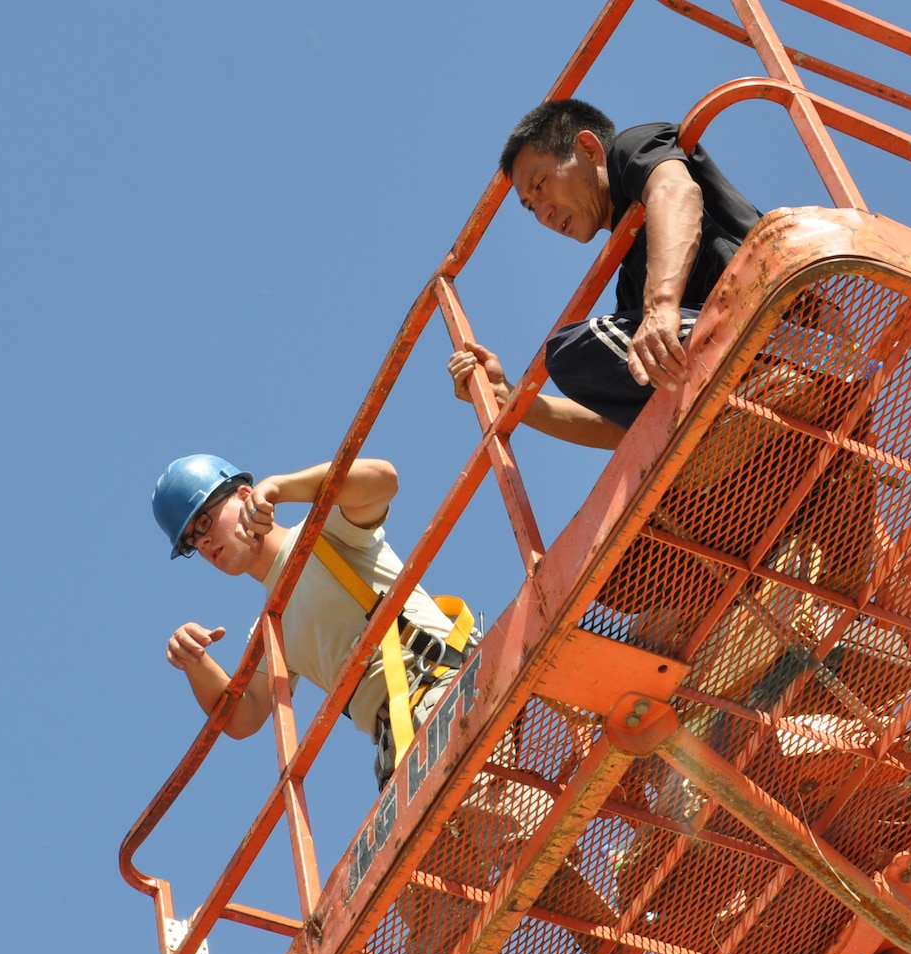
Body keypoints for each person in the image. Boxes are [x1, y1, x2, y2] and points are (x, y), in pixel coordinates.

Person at [448, 97, 762, 448]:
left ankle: (762, 379)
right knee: (643, 440)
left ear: (588, 148)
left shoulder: (633, 148)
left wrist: (661, 307)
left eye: (540, 185)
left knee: (569, 349)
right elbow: (626, 427)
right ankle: (729, 429)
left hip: (764, 319)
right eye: (530, 208)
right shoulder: (631, 285)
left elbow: (675, 190)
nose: (543, 214)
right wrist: (509, 398)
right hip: (737, 407)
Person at [152, 453, 475, 790]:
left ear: (244, 496)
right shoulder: (271, 629)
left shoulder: (323, 532)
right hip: (401, 744)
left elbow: (383, 480)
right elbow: (242, 718)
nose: (202, 542)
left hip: (447, 691)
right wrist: (194, 660)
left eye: (204, 522)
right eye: (190, 542)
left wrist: (279, 487)